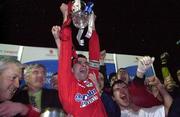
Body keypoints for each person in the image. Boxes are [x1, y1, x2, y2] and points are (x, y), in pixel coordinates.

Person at [57, 3, 107, 117]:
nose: (84, 65)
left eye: (86, 63)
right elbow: (65, 49)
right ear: (71, 69)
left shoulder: (92, 77)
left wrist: (91, 24)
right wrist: (66, 16)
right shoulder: (68, 87)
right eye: (79, 63)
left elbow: (94, 53)